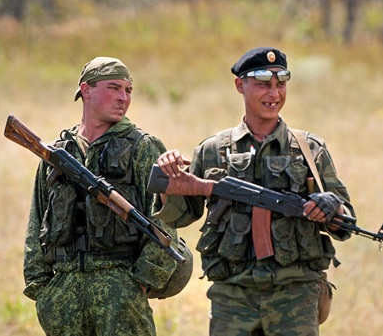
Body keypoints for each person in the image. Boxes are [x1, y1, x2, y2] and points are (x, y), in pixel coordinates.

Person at [154, 47, 355, 335]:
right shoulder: (213, 150)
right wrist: (168, 181)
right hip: (233, 295)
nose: (274, 94)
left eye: (281, 84)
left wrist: (331, 205)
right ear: (240, 85)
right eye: (263, 84)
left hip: (294, 293)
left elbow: (346, 222)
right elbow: (179, 217)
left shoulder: (310, 150)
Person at [22, 56, 179, 336]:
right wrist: (44, 291)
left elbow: (165, 222)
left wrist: (139, 284)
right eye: (114, 88)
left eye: (128, 90)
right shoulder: (57, 152)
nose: (123, 97)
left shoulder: (143, 147)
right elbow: (37, 221)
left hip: (120, 293)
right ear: (86, 90)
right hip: (64, 296)